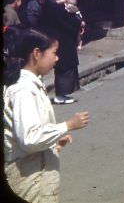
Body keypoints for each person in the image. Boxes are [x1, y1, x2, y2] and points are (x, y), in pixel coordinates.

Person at [4, 28, 91, 203]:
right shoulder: (24, 90)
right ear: (37, 54)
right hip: (31, 178)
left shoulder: (31, 85)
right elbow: (29, 139)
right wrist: (67, 125)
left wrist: (54, 140)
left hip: (36, 169)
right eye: (53, 53)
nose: (56, 58)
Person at [39, 0, 81, 105]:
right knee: (64, 67)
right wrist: (75, 16)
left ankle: (62, 94)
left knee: (62, 66)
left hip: (55, 38)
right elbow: (67, 23)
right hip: (62, 40)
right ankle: (61, 95)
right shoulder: (55, 8)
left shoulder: (48, 4)